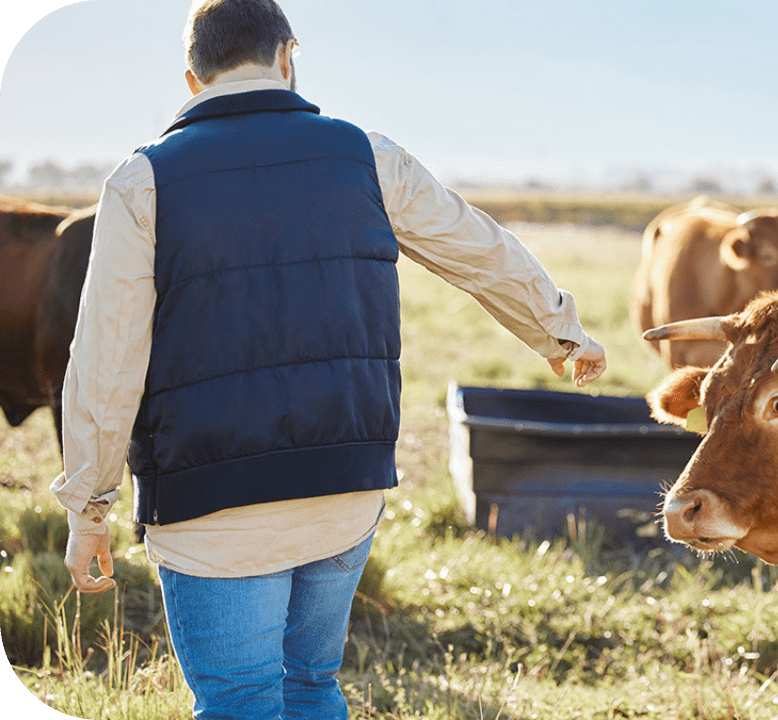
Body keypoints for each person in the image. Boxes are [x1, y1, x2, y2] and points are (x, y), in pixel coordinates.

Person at [49, 1, 606, 718]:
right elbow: (478, 249)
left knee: (240, 700)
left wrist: (88, 507)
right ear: (288, 56)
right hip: (345, 484)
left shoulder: (141, 182)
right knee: (311, 684)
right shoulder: (367, 155)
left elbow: (104, 356)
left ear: (193, 80)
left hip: (209, 504)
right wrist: (562, 333)